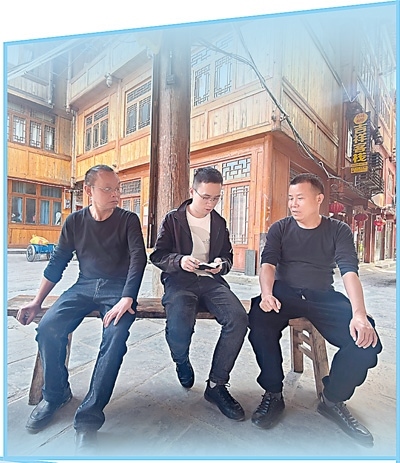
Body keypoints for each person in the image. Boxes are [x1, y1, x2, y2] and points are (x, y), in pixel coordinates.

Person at [17, 164, 147, 454]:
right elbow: (58, 262)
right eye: (108, 189)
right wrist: (37, 301)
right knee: (48, 328)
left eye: (117, 189)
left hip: (117, 290)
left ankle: (88, 418)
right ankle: (55, 394)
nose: (116, 195)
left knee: (115, 339)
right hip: (84, 285)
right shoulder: (74, 222)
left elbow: (139, 259)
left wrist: (128, 297)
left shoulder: (128, 220)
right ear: (89, 190)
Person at [248, 173, 382, 448]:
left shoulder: (338, 230)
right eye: (290, 198)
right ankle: (273, 393)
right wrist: (267, 294)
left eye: (300, 198)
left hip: (322, 295)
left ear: (319, 199)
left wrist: (359, 313)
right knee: (259, 323)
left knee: (366, 342)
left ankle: (332, 399)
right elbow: (268, 264)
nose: (293, 204)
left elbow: (349, 271)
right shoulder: (280, 228)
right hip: (283, 293)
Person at [150, 167, 248, 421]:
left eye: (216, 198)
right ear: (192, 191)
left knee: (238, 318)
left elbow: (227, 256)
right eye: (205, 197)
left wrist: (220, 264)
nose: (210, 204)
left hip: (211, 282)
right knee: (179, 324)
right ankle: (181, 360)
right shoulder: (174, 219)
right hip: (180, 282)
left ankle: (216, 385)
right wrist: (180, 261)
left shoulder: (219, 222)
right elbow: (158, 256)